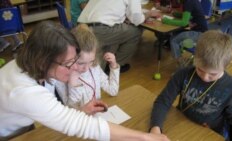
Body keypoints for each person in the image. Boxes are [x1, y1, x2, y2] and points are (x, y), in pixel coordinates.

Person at [0, 20, 169, 141]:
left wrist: (80, 111)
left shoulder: (30, 64)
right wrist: (145, 137)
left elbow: (63, 114)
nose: (75, 68)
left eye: (75, 60)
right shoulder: (24, 93)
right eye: (68, 64)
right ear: (43, 61)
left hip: (19, 124)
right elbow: (82, 126)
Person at [149, 30, 232, 140]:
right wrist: (155, 128)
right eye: (200, 69)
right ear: (195, 57)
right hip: (181, 123)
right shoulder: (183, 74)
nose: (205, 77)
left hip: (211, 132)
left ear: (227, 64)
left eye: (213, 74)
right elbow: (163, 101)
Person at [77, 0, 161, 73]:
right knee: (135, 31)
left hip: (81, 27)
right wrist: (149, 14)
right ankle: (117, 65)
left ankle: (106, 63)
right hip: (101, 30)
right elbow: (136, 19)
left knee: (117, 30)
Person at [66, 25, 120, 113]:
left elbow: (113, 91)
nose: (86, 68)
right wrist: (74, 85)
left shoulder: (95, 68)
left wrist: (114, 66)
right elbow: (70, 111)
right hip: (80, 120)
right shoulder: (65, 76)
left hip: (96, 115)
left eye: (91, 61)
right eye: (81, 63)